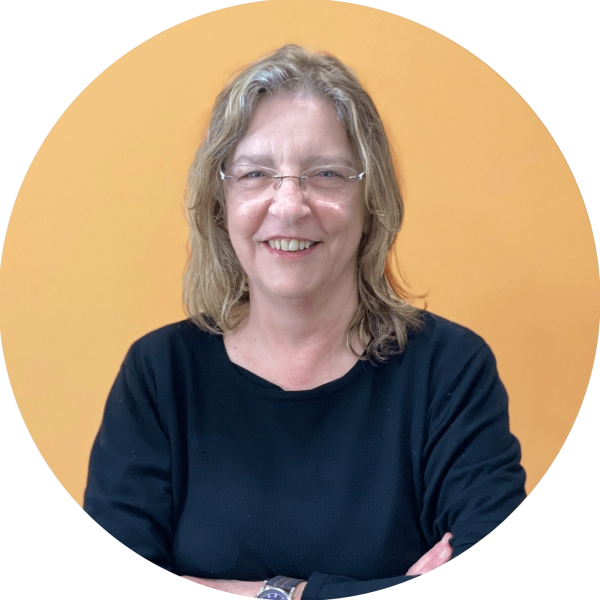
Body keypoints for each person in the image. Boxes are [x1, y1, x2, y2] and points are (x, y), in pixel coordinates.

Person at [84, 45, 526, 599]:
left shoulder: (450, 371)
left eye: (326, 174)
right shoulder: (159, 376)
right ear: (221, 203)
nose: (290, 205)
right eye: (255, 173)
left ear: (371, 200)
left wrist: (271, 593)